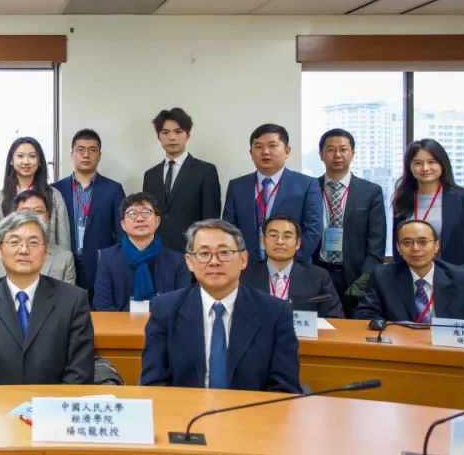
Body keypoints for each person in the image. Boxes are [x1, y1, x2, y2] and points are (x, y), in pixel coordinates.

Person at [139, 219, 301, 393]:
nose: (214, 261)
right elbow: (153, 382)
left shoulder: (275, 312)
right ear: (189, 262)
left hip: (252, 409)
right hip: (184, 409)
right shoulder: (165, 309)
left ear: (243, 259)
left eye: (224, 253)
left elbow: (284, 389)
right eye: (204, 253)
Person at [0, 211, 94, 385]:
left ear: (46, 250)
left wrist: (49, 403)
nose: (24, 250)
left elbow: (80, 372)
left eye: (33, 243)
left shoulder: (74, 300)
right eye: (14, 242)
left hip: (53, 402)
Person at [355, 220, 464, 322]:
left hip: (452, 348)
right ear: (398, 248)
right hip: (402, 346)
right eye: (407, 243)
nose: (415, 248)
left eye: (423, 242)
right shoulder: (383, 277)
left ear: (436, 246)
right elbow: (366, 314)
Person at [223, 123, 322, 263]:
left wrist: (286, 261)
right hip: (247, 267)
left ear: (287, 151)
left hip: (292, 267)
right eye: (258, 147)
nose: (265, 152)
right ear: (251, 153)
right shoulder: (237, 186)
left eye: (272, 146)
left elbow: (313, 230)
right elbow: (229, 230)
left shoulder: (307, 185)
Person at [313, 128, 387, 303]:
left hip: (356, 275)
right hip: (318, 273)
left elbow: (376, 242)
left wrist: (363, 280)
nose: (337, 155)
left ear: (352, 154)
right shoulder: (310, 188)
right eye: (331, 150)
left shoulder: (370, 192)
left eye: (343, 149)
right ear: (321, 155)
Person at [390, 138, 464, 267]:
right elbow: (398, 245)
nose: (425, 168)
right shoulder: (402, 199)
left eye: (432, 162)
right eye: (418, 163)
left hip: (455, 274)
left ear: (442, 164)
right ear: (409, 167)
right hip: (412, 275)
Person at [52, 129, 125, 292]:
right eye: (80, 150)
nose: (86, 155)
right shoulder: (56, 190)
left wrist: (113, 264)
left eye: (92, 150)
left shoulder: (113, 189)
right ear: (71, 155)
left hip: (101, 267)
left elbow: (121, 233)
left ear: (99, 156)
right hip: (63, 266)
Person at [94, 192, 191, 311]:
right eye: (132, 213)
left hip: (164, 322)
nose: (140, 219)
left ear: (157, 221)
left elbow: (183, 305)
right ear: (123, 225)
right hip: (119, 323)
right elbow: (102, 306)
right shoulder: (107, 258)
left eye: (146, 213)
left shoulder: (176, 260)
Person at [142, 108, 222, 252]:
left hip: (192, 252)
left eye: (178, 132)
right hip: (156, 252)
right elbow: (147, 216)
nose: (172, 137)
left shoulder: (205, 171)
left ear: (188, 134)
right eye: (165, 132)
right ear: (158, 136)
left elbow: (211, 220)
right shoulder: (150, 175)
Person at [240, 215, 343, 318]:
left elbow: (335, 318)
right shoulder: (244, 276)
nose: (280, 241)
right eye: (273, 235)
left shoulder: (318, 277)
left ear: (298, 243)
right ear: (263, 241)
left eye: (287, 236)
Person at [0, 136, 70, 251]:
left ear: (39, 161)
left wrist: (65, 260)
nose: (26, 162)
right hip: (12, 260)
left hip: (48, 259)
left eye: (32, 156)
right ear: (11, 160)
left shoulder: (54, 195)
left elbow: (63, 239)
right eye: (20, 156)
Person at [0, 189, 76, 285]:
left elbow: (68, 294)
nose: (32, 216)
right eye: (25, 211)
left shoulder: (65, 258)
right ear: (14, 215)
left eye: (38, 211)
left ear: (49, 216)